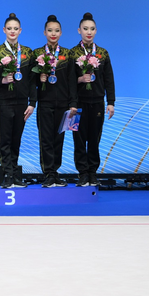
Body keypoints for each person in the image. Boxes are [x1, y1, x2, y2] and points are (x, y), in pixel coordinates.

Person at [0, 13, 36, 188]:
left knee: (17, 139)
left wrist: (32, 103)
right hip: (4, 101)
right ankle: (7, 174)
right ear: (4, 30)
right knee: (5, 140)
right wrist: (2, 81)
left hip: (22, 103)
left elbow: (32, 81)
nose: (12, 31)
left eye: (15, 29)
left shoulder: (27, 53)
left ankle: (15, 174)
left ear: (20, 31)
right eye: (9, 28)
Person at [70, 12, 115, 187]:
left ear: (96, 31)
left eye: (92, 29)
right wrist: (79, 80)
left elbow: (109, 79)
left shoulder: (103, 53)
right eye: (85, 28)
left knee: (94, 139)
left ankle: (93, 173)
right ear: (79, 30)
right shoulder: (73, 53)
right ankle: (82, 173)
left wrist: (110, 102)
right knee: (79, 139)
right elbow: (68, 82)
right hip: (78, 104)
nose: (89, 32)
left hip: (97, 102)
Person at [34, 15, 78, 188]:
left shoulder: (68, 54)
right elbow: (31, 82)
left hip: (63, 104)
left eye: (57, 31)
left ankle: (56, 172)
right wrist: (41, 79)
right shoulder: (37, 53)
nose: (53, 34)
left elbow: (72, 81)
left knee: (59, 139)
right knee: (46, 139)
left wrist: (73, 103)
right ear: (44, 32)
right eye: (50, 30)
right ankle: (48, 173)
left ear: (61, 33)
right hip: (44, 103)